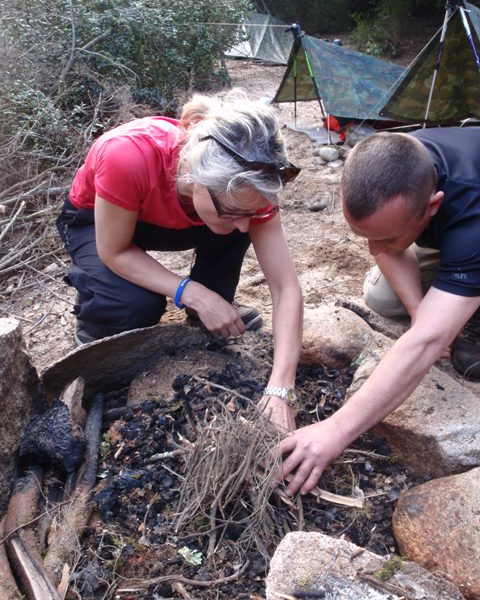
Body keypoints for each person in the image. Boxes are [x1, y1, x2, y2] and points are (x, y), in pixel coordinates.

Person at [56, 89, 303, 429]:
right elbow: (113, 251)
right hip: (98, 222)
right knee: (135, 307)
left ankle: (209, 314)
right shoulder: (128, 155)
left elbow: (286, 287)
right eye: (235, 211)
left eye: (253, 211)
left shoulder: (249, 186)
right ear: (196, 180)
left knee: (228, 228)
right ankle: (97, 327)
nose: (247, 224)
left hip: (185, 218)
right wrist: (192, 292)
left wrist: (281, 388)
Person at [277, 126, 480, 496]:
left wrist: (336, 430)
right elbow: (386, 253)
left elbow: (427, 344)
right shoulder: (394, 161)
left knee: (437, 328)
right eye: (363, 235)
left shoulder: (471, 215)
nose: (372, 248)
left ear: (432, 205)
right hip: (453, 231)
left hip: (471, 229)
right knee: (383, 297)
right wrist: (422, 313)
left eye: (384, 236)